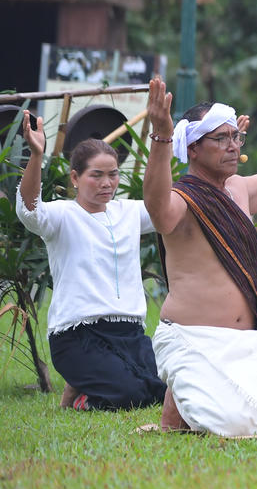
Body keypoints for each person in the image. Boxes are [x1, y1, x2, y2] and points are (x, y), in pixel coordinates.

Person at [143, 75, 257, 435]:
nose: (232, 145)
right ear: (193, 148)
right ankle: (176, 407)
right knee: (231, 423)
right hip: (194, 337)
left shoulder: (239, 189)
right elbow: (157, 209)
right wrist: (162, 136)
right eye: (221, 138)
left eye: (235, 137)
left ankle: (176, 409)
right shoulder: (182, 200)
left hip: (250, 342)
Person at [15, 113, 165, 411]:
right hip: (77, 336)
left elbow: (171, 206)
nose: (107, 183)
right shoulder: (62, 215)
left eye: (113, 174)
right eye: (96, 175)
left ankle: (83, 382)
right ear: (75, 177)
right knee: (129, 396)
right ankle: (81, 396)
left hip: (129, 334)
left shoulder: (129, 212)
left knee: (161, 392)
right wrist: (36, 155)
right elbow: (29, 211)